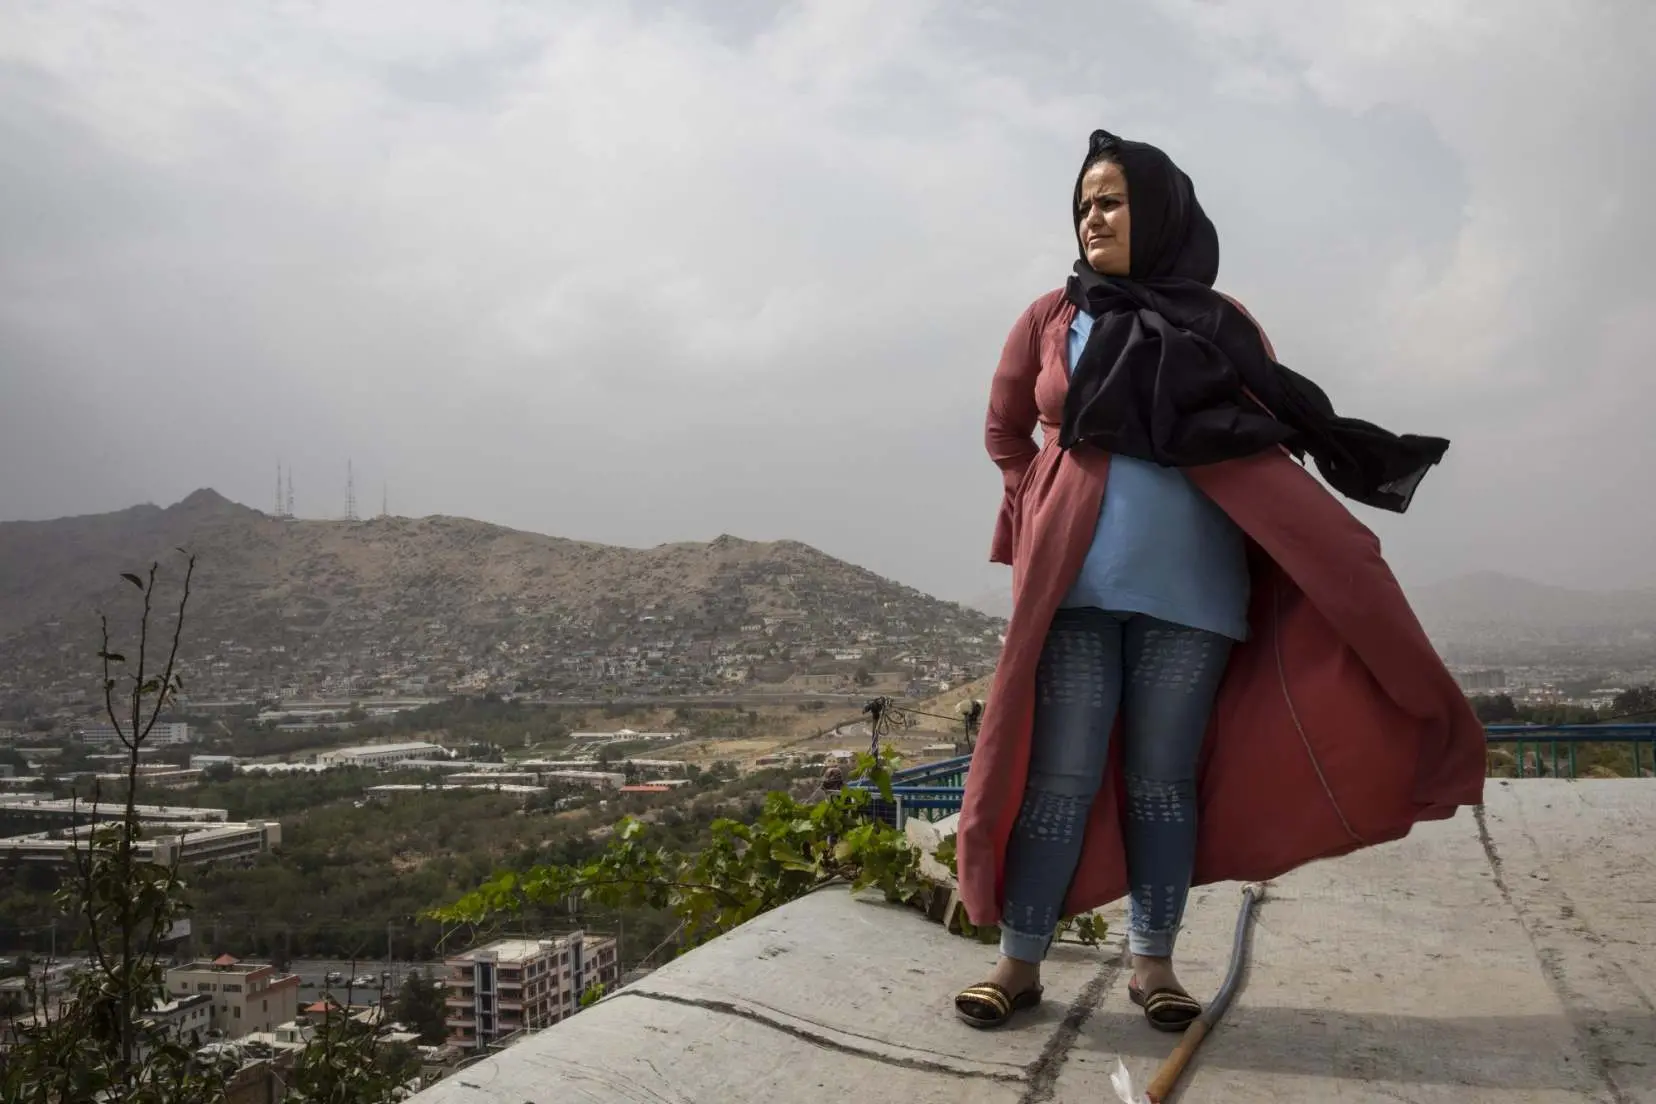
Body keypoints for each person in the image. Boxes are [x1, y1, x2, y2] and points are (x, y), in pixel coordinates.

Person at [950, 129, 1487, 1033]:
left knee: (1164, 781)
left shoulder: (1220, 321)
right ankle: (1019, 962)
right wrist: (1037, 501)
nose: (1093, 217)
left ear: (1157, 212)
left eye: (1112, 201)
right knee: (1060, 778)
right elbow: (1006, 432)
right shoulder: (1051, 317)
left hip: (1193, 599)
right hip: (1074, 594)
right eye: (1083, 203)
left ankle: (1153, 965)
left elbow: (1261, 433)